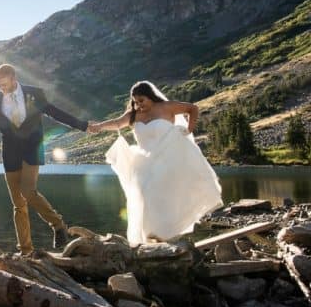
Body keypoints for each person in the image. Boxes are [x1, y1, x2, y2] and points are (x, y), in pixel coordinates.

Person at [0, 64, 89, 255]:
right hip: (10, 153)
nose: (2, 88)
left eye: (5, 84)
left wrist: (82, 125)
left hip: (32, 149)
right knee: (18, 204)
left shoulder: (35, 94)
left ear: (14, 78)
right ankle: (25, 251)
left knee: (28, 191)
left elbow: (55, 112)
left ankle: (57, 224)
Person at [87, 80, 223, 244]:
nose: (139, 105)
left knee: (163, 195)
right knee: (143, 196)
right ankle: (151, 235)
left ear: (150, 96)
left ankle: (166, 233)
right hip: (144, 163)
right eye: (135, 102)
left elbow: (192, 109)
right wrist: (99, 126)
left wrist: (189, 129)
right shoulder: (134, 115)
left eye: (141, 101)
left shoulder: (167, 107)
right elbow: (116, 123)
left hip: (168, 159)